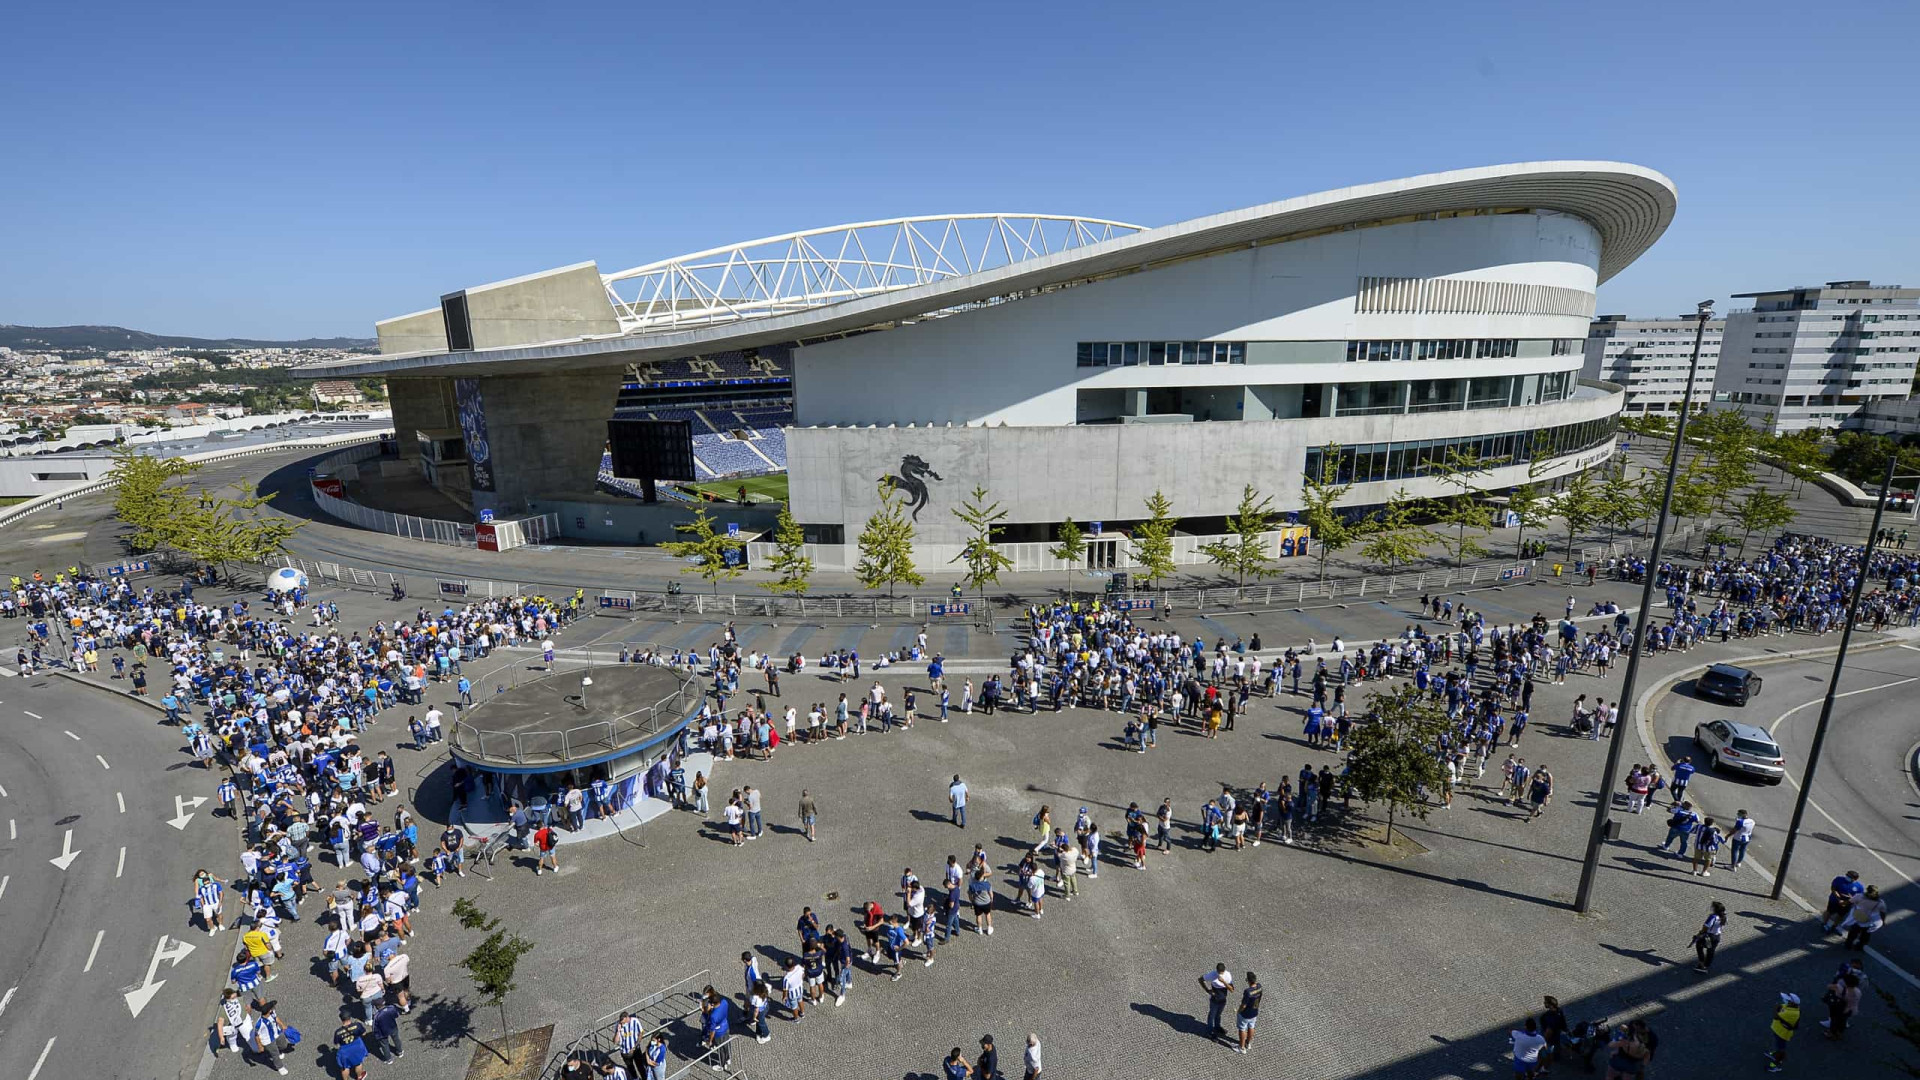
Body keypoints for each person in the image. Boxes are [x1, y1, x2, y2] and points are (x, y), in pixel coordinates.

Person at [1840, 884, 1888, 950]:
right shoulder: (1880, 903)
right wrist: (1883, 921)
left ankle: (1848, 945)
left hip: (1858, 918)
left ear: (1867, 890)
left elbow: (1849, 902)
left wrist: (1842, 902)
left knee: (1853, 933)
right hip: (1869, 921)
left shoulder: (1859, 896)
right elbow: (1883, 913)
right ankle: (1860, 947)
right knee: (1865, 934)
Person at [1765, 991, 1800, 1073]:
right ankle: (1776, 1055)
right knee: (1778, 1045)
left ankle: (1776, 1064)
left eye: (1786, 1000)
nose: (1784, 1001)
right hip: (1778, 1030)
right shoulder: (1790, 1007)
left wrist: (1776, 1007)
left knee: (1781, 1048)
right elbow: (1781, 1007)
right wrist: (1779, 1007)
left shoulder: (1791, 1012)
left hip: (1782, 1034)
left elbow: (1775, 1015)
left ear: (1791, 1002)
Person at [1822, 971, 1862, 1038]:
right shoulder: (1858, 992)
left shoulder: (1840, 988)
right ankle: (1839, 1033)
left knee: (1834, 1020)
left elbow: (1829, 986)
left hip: (1839, 1008)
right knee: (1843, 1021)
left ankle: (1832, 1033)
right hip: (1850, 1010)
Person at [1200, 963, 1233, 1039]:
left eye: (1222, 973)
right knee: (1212, 1016)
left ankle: (1217, 1027)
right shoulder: (1212, 974)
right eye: (1219, 973)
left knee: (1218, 1014)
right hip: (1214, 1000)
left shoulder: (1228, 975)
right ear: (1217, 971)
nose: (1220, 974)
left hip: (1223, 999)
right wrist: (1207, 990)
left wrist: (1223, 982)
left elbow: (1231, 989)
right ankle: (1210, 1032)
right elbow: (1200, 979)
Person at [1692, 901, 1726, 972]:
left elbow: (1705, 927)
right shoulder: (1724, 917)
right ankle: (1706, 965)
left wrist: (1699, 934)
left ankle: (1701, 963)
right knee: (1711, 951)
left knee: (1699, 945)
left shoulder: (1712, 917)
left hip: (1709, 937)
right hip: (1717, 937)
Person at [1235, 972, 1263, 1054]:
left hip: (1246, 1013)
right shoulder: (1260, 987)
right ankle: (1248, 1043)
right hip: (1254, 1011)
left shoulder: (1248, 992)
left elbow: (1244, 1005)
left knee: (1242, 1028)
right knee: (1251, 1026)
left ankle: (1241, 1047)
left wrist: (1238, 1011)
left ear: (1248, 980)